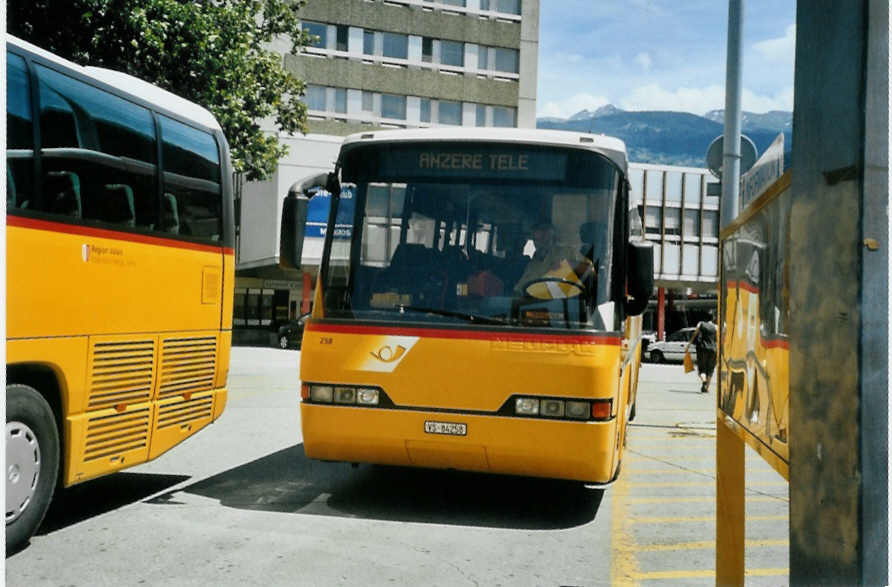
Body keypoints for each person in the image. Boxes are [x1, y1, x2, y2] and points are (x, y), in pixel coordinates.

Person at [513, 222, 584, 298]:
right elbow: (519, 288)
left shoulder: (563, 252)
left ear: (553, 238)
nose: (539, 244)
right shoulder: (533, 264)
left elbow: (579, 270)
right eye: (536, 240)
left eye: (543, 239)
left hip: (555, 304)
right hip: (529, 303)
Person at [686, 313, 718, 393]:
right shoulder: (716, 327)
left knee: (702, 369)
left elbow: (695, 334)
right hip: (713, 349)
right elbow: (718, 339)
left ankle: (704, 381)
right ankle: (706, 388)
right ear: (712, 318)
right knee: (710, 370)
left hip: (702, 349)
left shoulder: (701, 324)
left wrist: (689, 344)